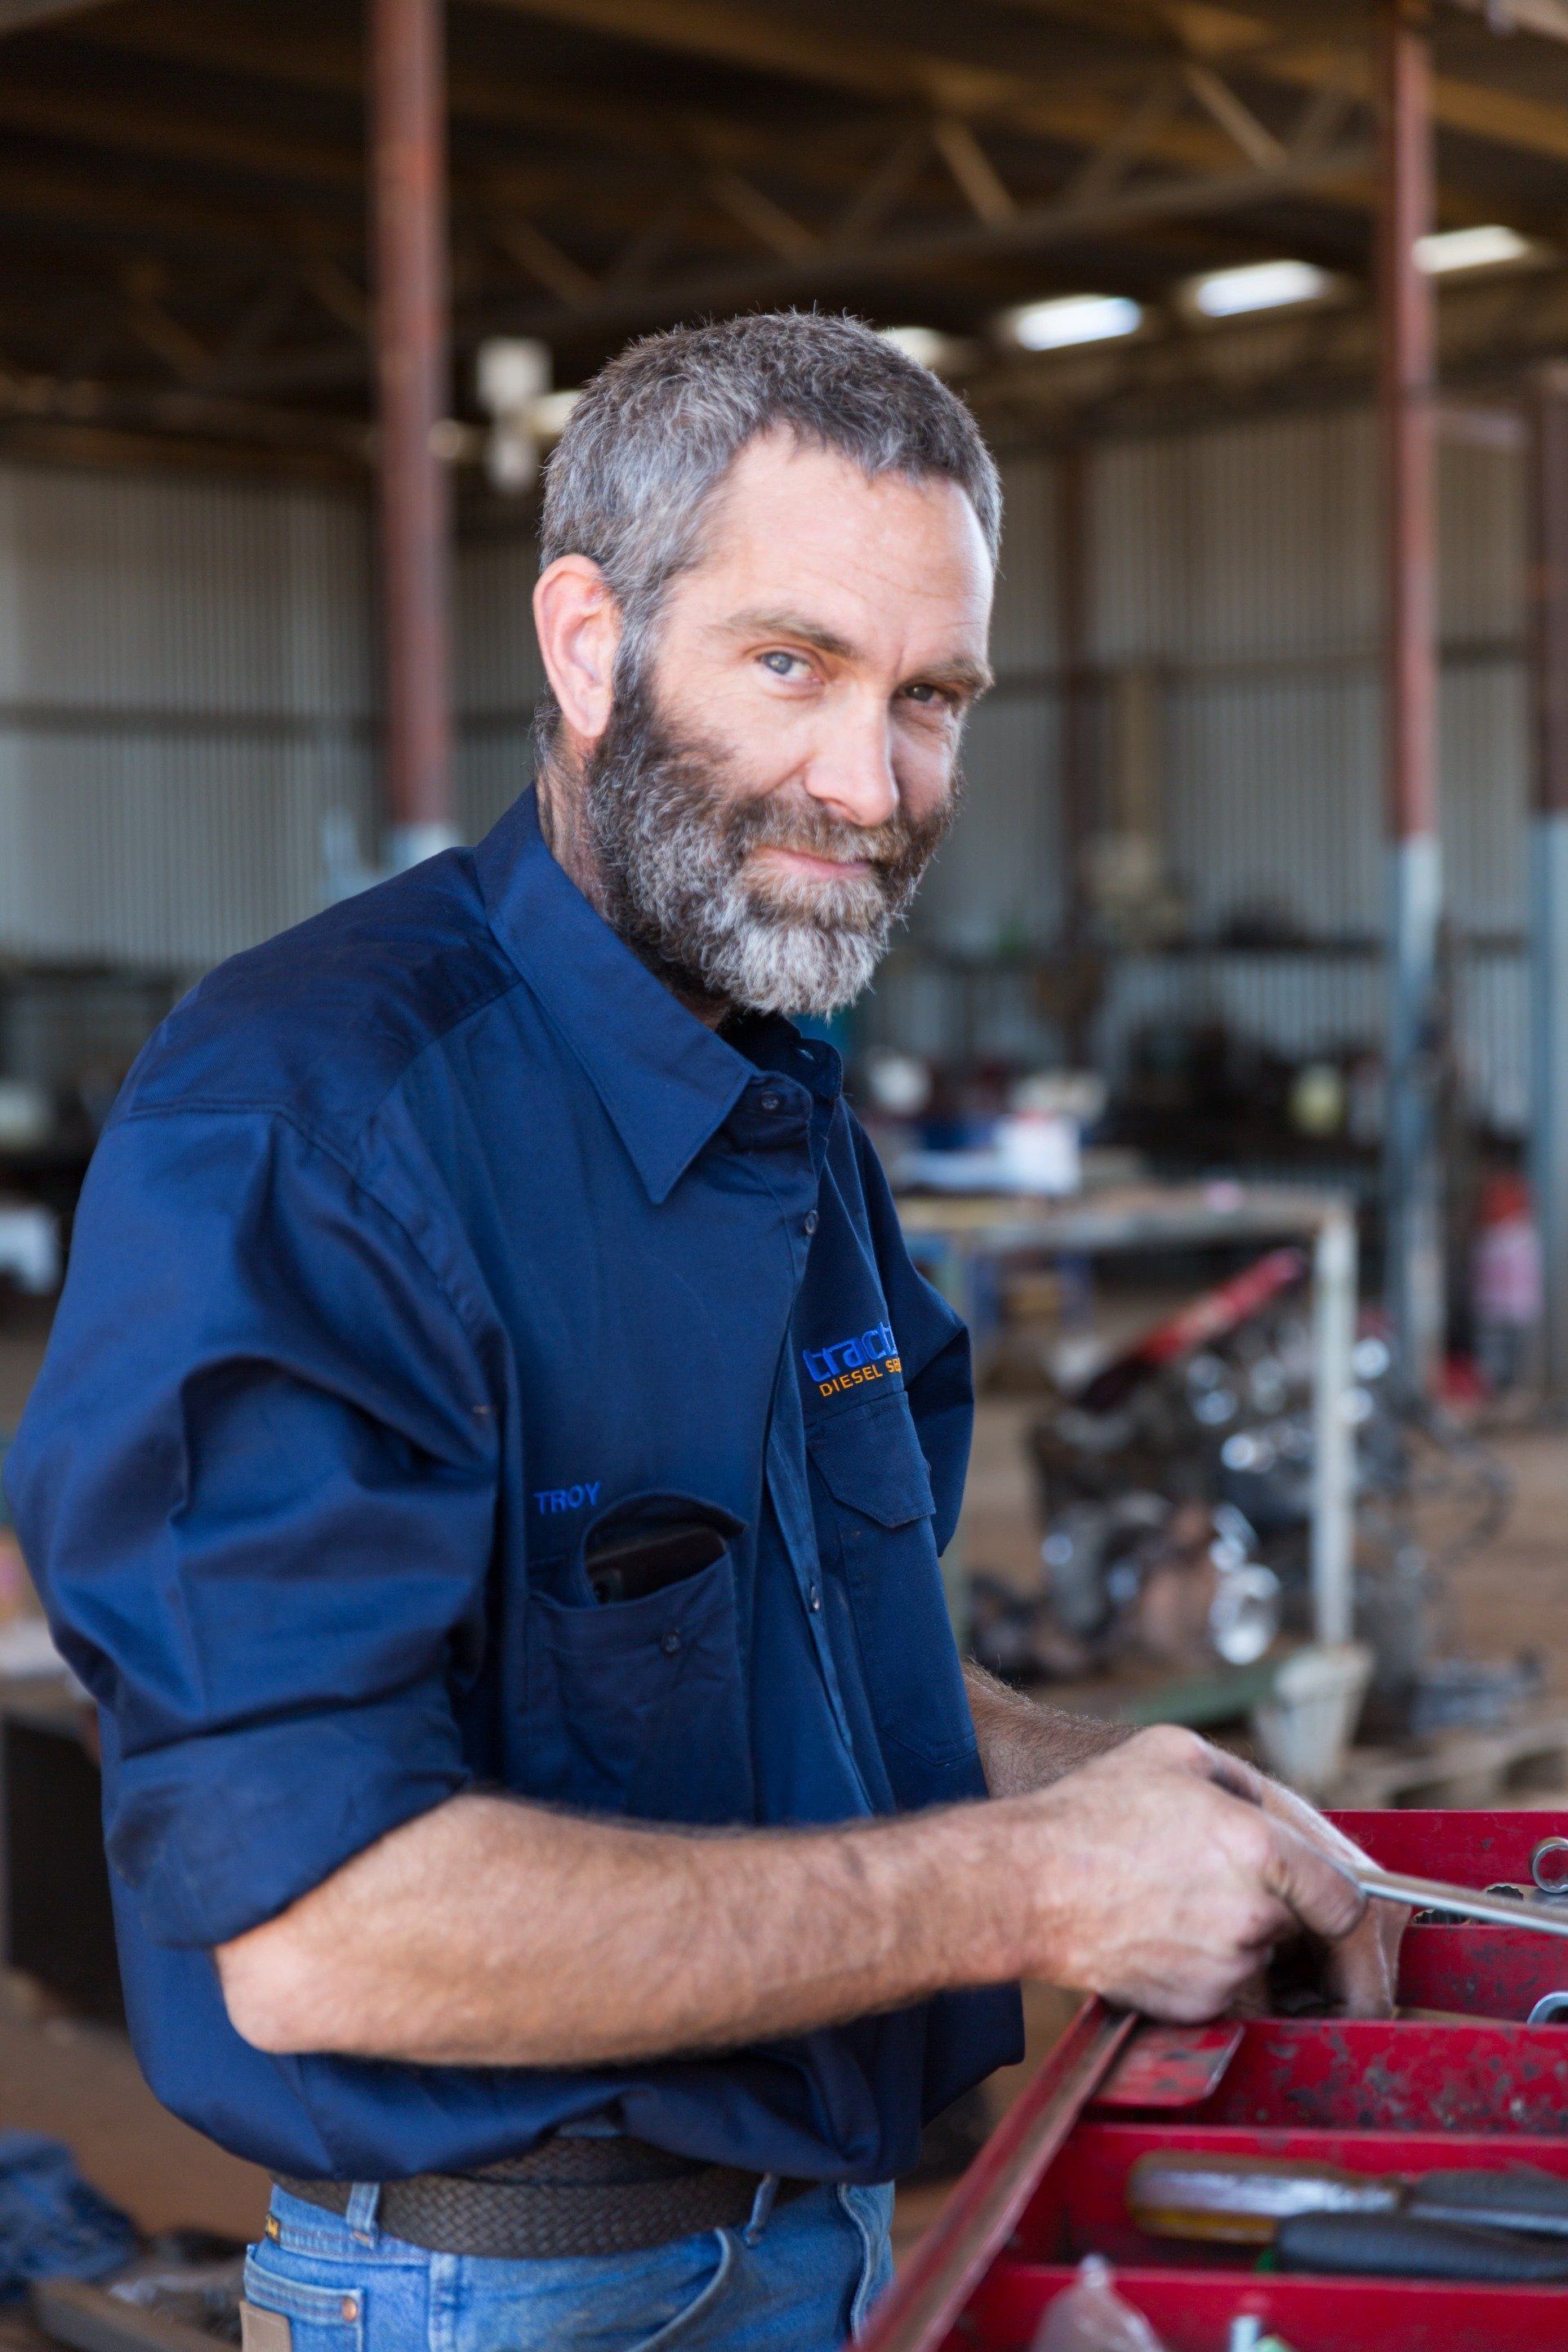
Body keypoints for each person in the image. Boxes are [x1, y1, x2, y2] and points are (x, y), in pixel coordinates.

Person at [6, 313, 1401, 2352]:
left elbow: (809, 1657)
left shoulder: (772, 1084)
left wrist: (1115, 1783)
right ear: (586, 644)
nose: (870, 782)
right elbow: (320, 1933)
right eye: (791, 665)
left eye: (932, 696)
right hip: (503, 2293)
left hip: (811, 2239)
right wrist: (1024, 1896)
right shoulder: (315, 1122)